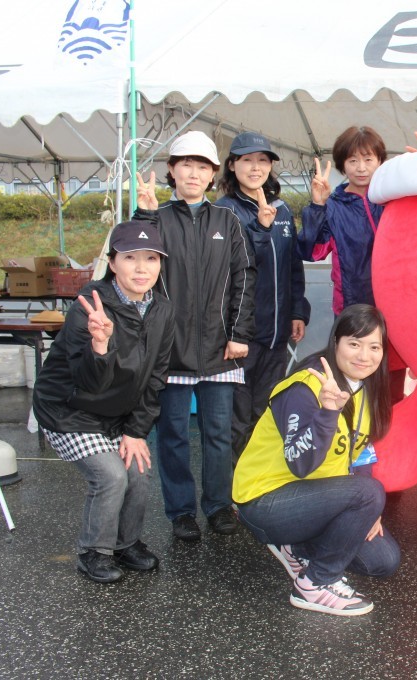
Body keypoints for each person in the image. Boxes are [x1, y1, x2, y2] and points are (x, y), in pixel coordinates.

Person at [233, 304, 400, 617]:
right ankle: (315, 583)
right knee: (369, 492)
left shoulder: (364, 390)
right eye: (354, 343)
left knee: (383, 561)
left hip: (315, 500)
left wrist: (369, 512)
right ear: (335, 342)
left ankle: (295, 547)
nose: (364, 356)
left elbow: (361, 450)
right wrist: (327, 413)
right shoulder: (305, 387)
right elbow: (300, 463)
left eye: (374, 347)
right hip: (266, 500)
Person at [32, 220, 174, 583]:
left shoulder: (162, 309)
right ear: (112, 263)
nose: (142, 268)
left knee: (138, 471)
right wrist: (100, 345)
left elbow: (155, 377)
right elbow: (87, 381)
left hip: (117, 412)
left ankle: (125, 544)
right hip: (70, 409)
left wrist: (136, 430)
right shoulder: (90, 306)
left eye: (151, 258)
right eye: (130, 258)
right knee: (111, 476)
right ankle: (94, 552)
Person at [135, 130, 256, 540]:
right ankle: (181, 511)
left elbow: (244, 278)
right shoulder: (158, 219)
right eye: (185, 163)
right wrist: (143, 216)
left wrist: (239, 333)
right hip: (170, 351)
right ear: (171, 170)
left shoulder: (227, 220)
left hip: (221, 348)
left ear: (212, 175)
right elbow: (135, 268)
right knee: (172, 436)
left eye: (202, 166)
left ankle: (219, 505)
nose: (193, 172)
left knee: (219, 434)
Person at [215, 131, 312, 461]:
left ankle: (259, 488)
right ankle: (233, 494)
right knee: (237, 418)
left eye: (262, 161)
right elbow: (234, 266)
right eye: (246, 160)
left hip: (277, 332)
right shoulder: (224, 211)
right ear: (232, 166)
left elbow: (292, 266)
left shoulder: (281, 210)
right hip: (242, 336)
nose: (255, 168)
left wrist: (298, 311)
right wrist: (260, 228)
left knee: (267, 411)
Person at [299, 126, 408, 403]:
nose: (361, 168)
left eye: (368, 159)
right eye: (353, 161)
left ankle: (388, 442)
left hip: (394, 308)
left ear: (380, 161)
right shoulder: (333, 205)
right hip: (351, 307)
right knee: (352, 382)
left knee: (392, 382)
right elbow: (311, 251)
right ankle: (353, 441)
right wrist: (317, 206)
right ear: (342, 165)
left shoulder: (394, 199)